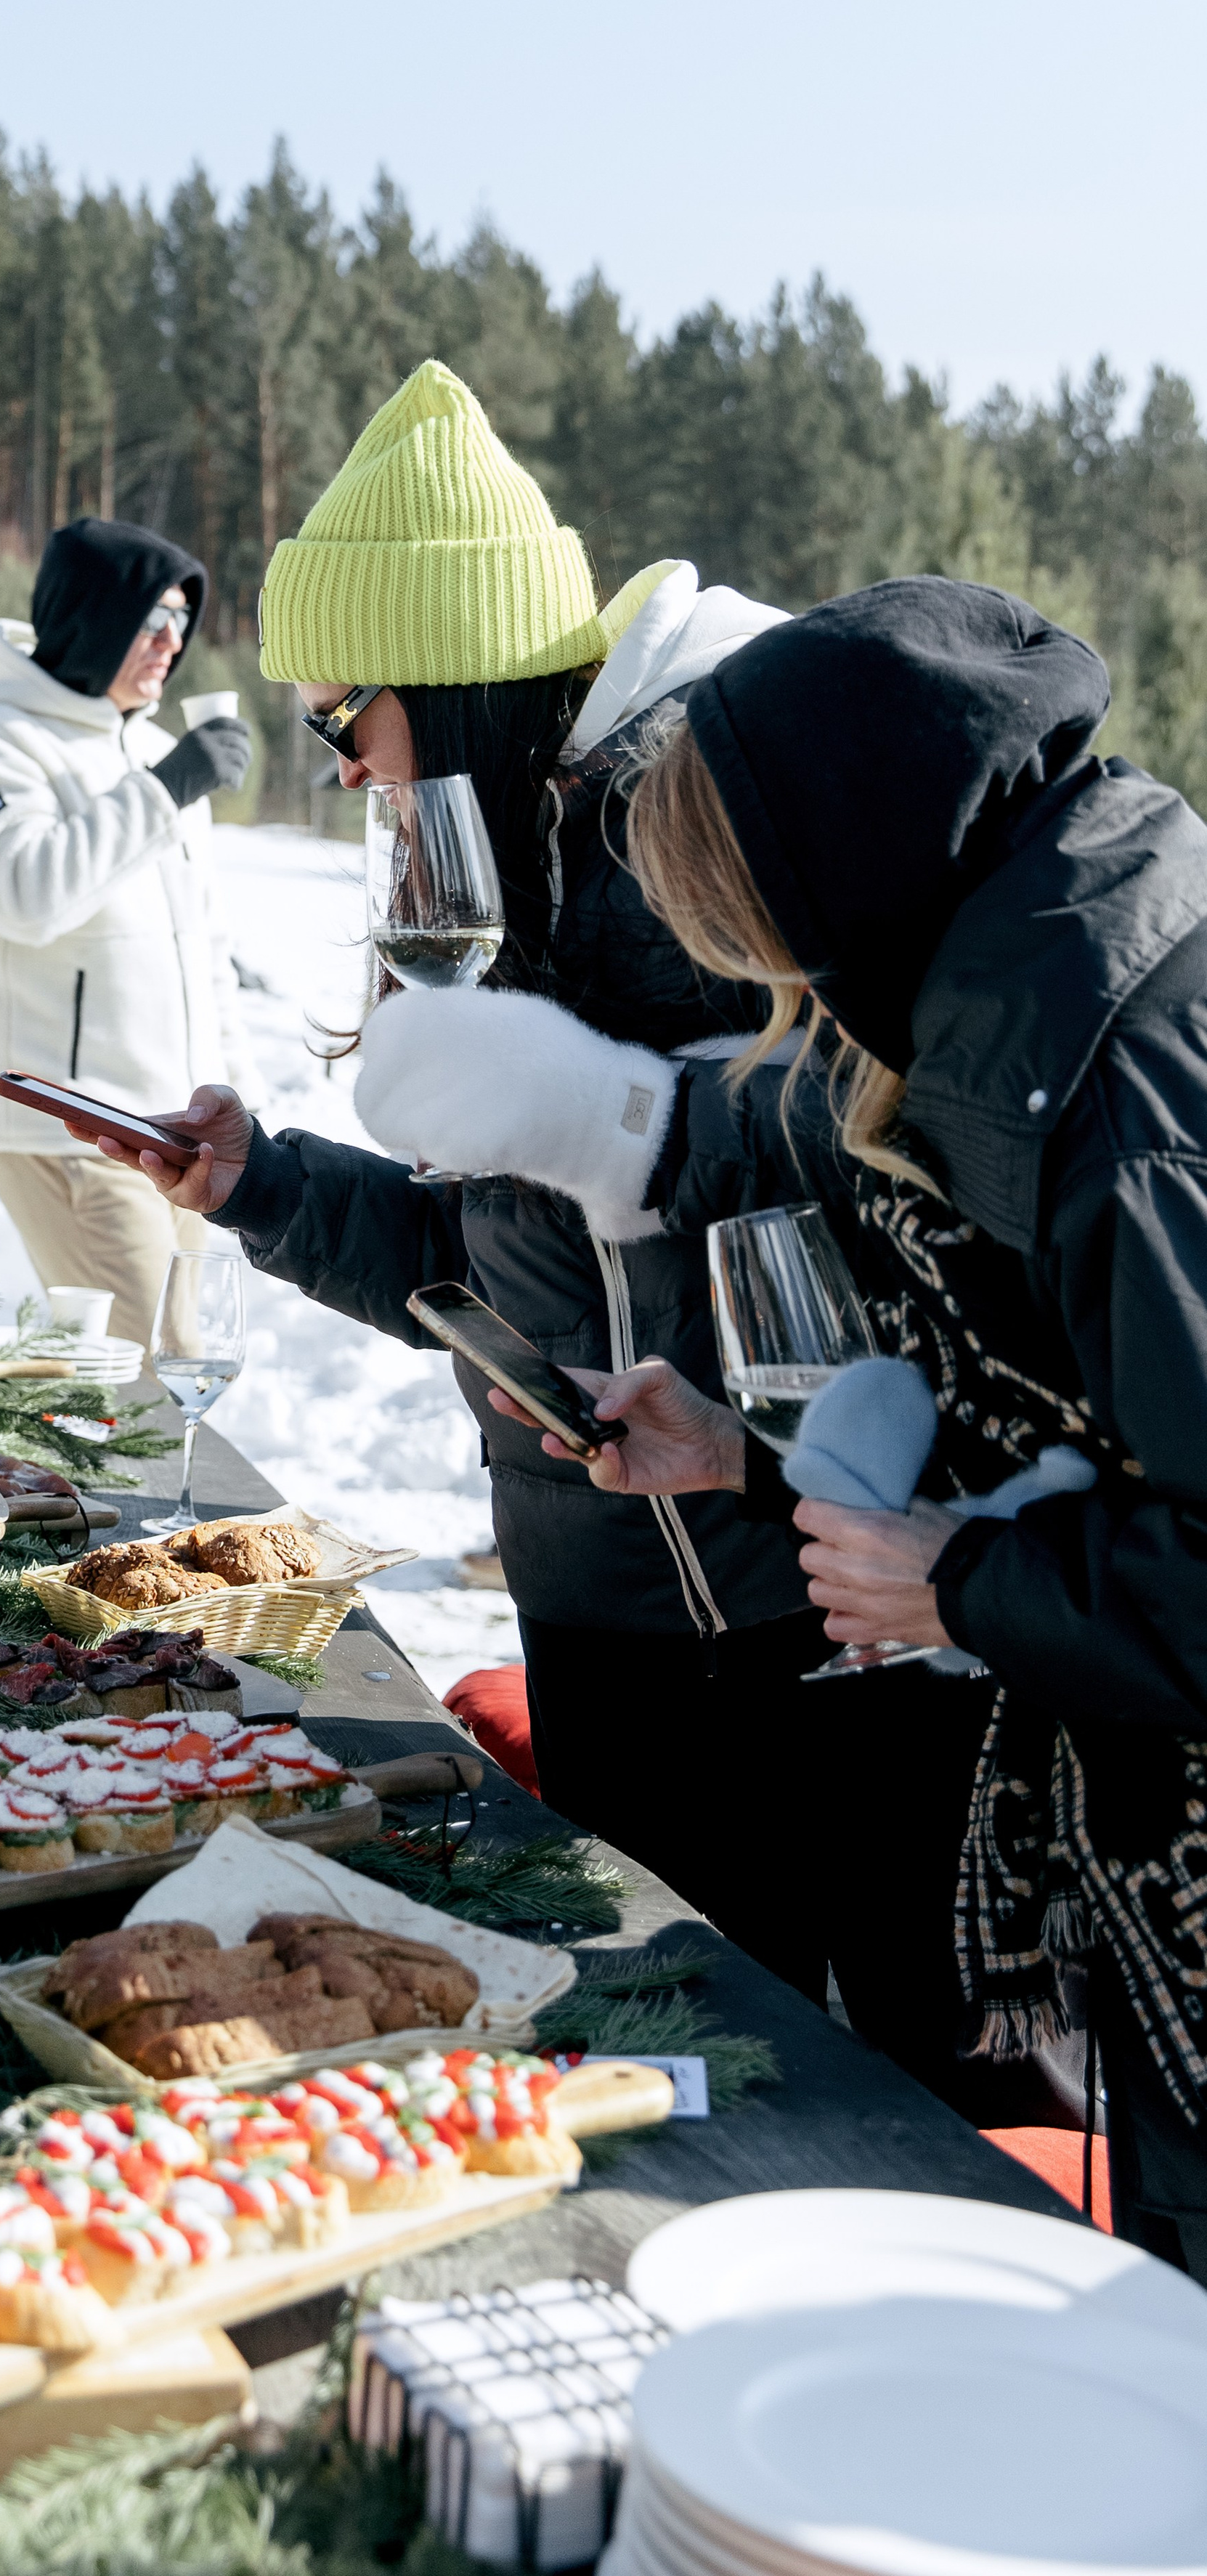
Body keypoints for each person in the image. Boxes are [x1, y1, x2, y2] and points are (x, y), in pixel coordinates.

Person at [70, 362, 998, 2110]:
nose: (342, 766)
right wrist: (262, 1182)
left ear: (458, 688)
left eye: (348, 719)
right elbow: (491, 1258)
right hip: (606, 1601)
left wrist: (607, 1114)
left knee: (848, 2098)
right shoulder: (504, 867)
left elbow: (867, 1162)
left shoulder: (702, 838)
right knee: (660, 2074)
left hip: (783, 1620)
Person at [447, 574, 1207, 2265]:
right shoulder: (1008, 1009)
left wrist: (956, 1585)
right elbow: (1056, 1435)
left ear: (828, 880)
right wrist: (744, 1450)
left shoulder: (1127, 1104)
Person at [0, 517, 253, 1348]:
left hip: (174, 1129)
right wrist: (167, 787)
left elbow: (202, 950)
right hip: (66, 1126)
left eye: (183, 621)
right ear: (93, 615)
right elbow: (25, 895)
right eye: (150, 619)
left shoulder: (150, 751)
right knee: (150, 1376)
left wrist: (242, 1101)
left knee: (183, 1371)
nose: (169, 642)